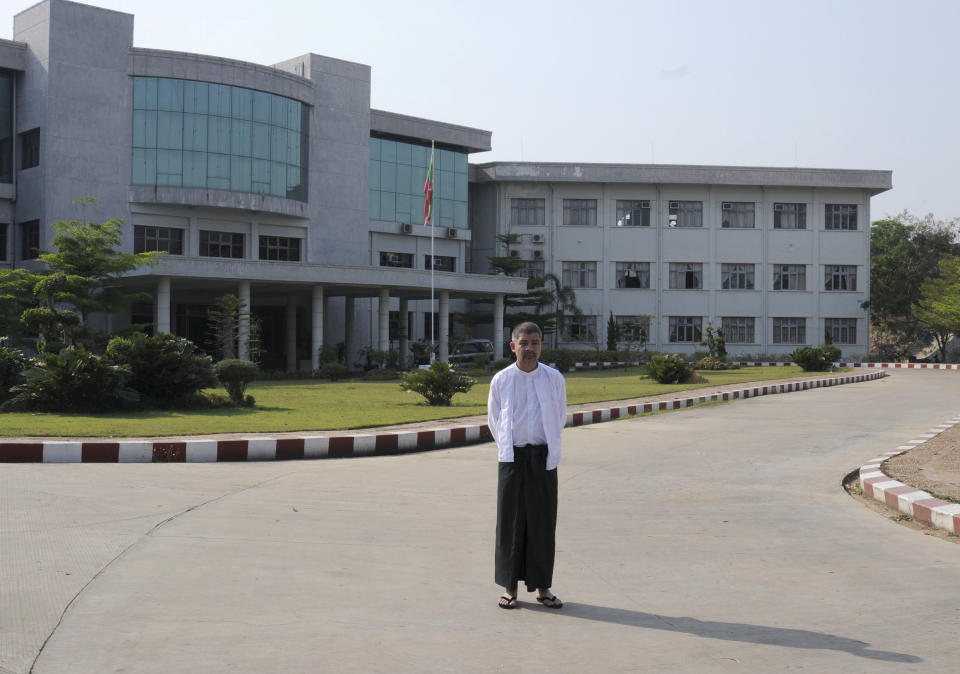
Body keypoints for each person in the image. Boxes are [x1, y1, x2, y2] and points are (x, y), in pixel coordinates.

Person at [487, 321, 567, 609]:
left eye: (535, 343)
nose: (530, 348)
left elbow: (560, 416)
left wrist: (547, 448)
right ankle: (510, 588)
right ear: (513, 346)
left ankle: (543, 587)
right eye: (524, 343)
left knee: (543, 523)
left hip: (544, 459)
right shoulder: (502, 380)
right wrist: (509, 449)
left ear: (541, 346)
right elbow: (494, 420)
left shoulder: (554, 378)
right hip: (512, 458)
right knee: (510, 522)